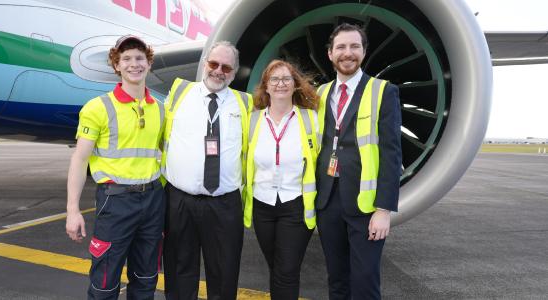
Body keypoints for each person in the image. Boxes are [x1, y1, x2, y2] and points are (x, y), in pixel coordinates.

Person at [65, 35, 165, 300]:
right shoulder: (98, 108)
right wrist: (72, 210)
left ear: (149, 63)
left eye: (140, 58)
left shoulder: (161, 110)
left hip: (153, 200)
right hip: (116, 201)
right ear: (116, 65)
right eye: (127, 59)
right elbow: (80, 159)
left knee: (146, 279)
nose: (134, 64)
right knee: (105, 283)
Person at [315, 23, 402, 299]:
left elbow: (391, 152)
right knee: (337, 280)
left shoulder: (382, 91)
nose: (347, 53)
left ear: (364, 52)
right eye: (340, 47)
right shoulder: (320, 94)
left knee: (365, 283)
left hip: (365, 206)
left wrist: (384, 209)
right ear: (330, 54)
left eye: (354, 46)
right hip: (327, 201)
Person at [161, 41, 252, 300]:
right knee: (179, 272)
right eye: (214, 64)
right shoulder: (179, 92)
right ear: (204, 64)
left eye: (226, 67)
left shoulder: (245, 103)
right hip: (180, 200)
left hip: (225, 204)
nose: (218, 71)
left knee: (224, 274)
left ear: (234, 72)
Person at [243, 59, 320, 299]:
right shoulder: (253, 120)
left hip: (295, 204)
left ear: (295, 85)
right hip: (262, 204)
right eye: (274, 79)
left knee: (287, 270)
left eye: (287, 78)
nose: (280, 84)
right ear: (265, 86)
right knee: (276, 268)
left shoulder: (311, 120)